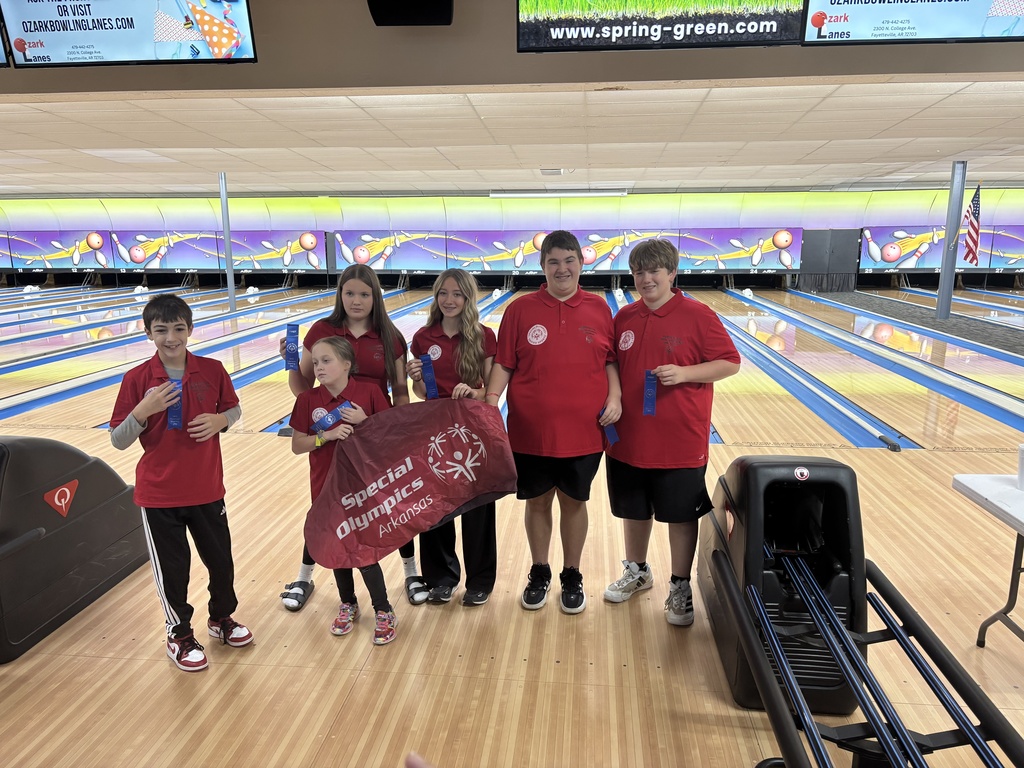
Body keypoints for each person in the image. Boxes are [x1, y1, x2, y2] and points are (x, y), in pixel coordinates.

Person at [109, 293, 252, 673]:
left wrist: (222, 421)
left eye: (177, 329)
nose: (170, 338)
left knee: (221, 563)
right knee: (174, 570)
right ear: (148, 333)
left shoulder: (212, 370)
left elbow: (234, 408)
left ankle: (221, 618)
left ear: (190, 329)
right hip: (159, 495)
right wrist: (143, 410)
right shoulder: (137, 379)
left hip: (207, 489)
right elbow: (118, 439)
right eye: (161, 330)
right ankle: (179, 634)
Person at [602, 239, 740, 626]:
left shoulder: (698, 315)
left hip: (680, 439)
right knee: (634, 510)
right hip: (628, 437)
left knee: (680, 515)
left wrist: (685, 373)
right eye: (638, 272)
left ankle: (680, 585)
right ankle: (637, 571)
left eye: (654, 271)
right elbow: (610, 363)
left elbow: (730, 362)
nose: (646, 279)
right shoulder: (624, 317)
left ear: (672, 273)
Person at [485, 230, 621, 614]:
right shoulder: (520, 310)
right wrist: (491, 401)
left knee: (575, 502)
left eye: (569, 260)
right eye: (553, 262)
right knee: (538, 501)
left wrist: (615, 396)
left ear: (581, 262)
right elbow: (504, 363)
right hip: (530, 432)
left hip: (586, 431)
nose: (562, 269)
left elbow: (610, 360)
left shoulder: (599, 308)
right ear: (542, 266)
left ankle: (572, 574)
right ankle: (540, 570)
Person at [278, 264, 425, 609]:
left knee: (389, 504)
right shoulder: (322, 330)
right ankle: (303, 577)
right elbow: (304, 389)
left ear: (375, 297)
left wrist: (395, 433)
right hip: (332, 436)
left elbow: (400, 391)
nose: (356, 300)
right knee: (325, 507)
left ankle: (411, 572)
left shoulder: (390, 337)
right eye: (349, 293)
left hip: (374, 434)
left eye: (364, 294)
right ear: (339, 295)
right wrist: (289, 361)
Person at [289, 336, 398, 644]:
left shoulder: (370, 393)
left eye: (327, 361)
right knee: (337, 547)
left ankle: (383, 608)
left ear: (347, 364)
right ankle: (348, 603)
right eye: (316, 362)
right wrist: (326, 436)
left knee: (362, 548)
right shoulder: (307, 400)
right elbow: (297, 445)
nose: (319, 368)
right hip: (325, 487)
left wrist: (365, 421)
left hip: (361, 486)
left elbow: (390, 437)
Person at [406, 269, 498, 607]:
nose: (449, 300)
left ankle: (480, 581)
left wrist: (473, 392)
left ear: (467, 298)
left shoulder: (484, 336)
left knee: (478, 508)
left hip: (473, 431)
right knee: (435, 507)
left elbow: (491, 389)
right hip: (434, 430)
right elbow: (421, 393)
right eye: (443, 293)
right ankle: (441, 579)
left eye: (457, 294)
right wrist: (416, 377)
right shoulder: (423, 337)